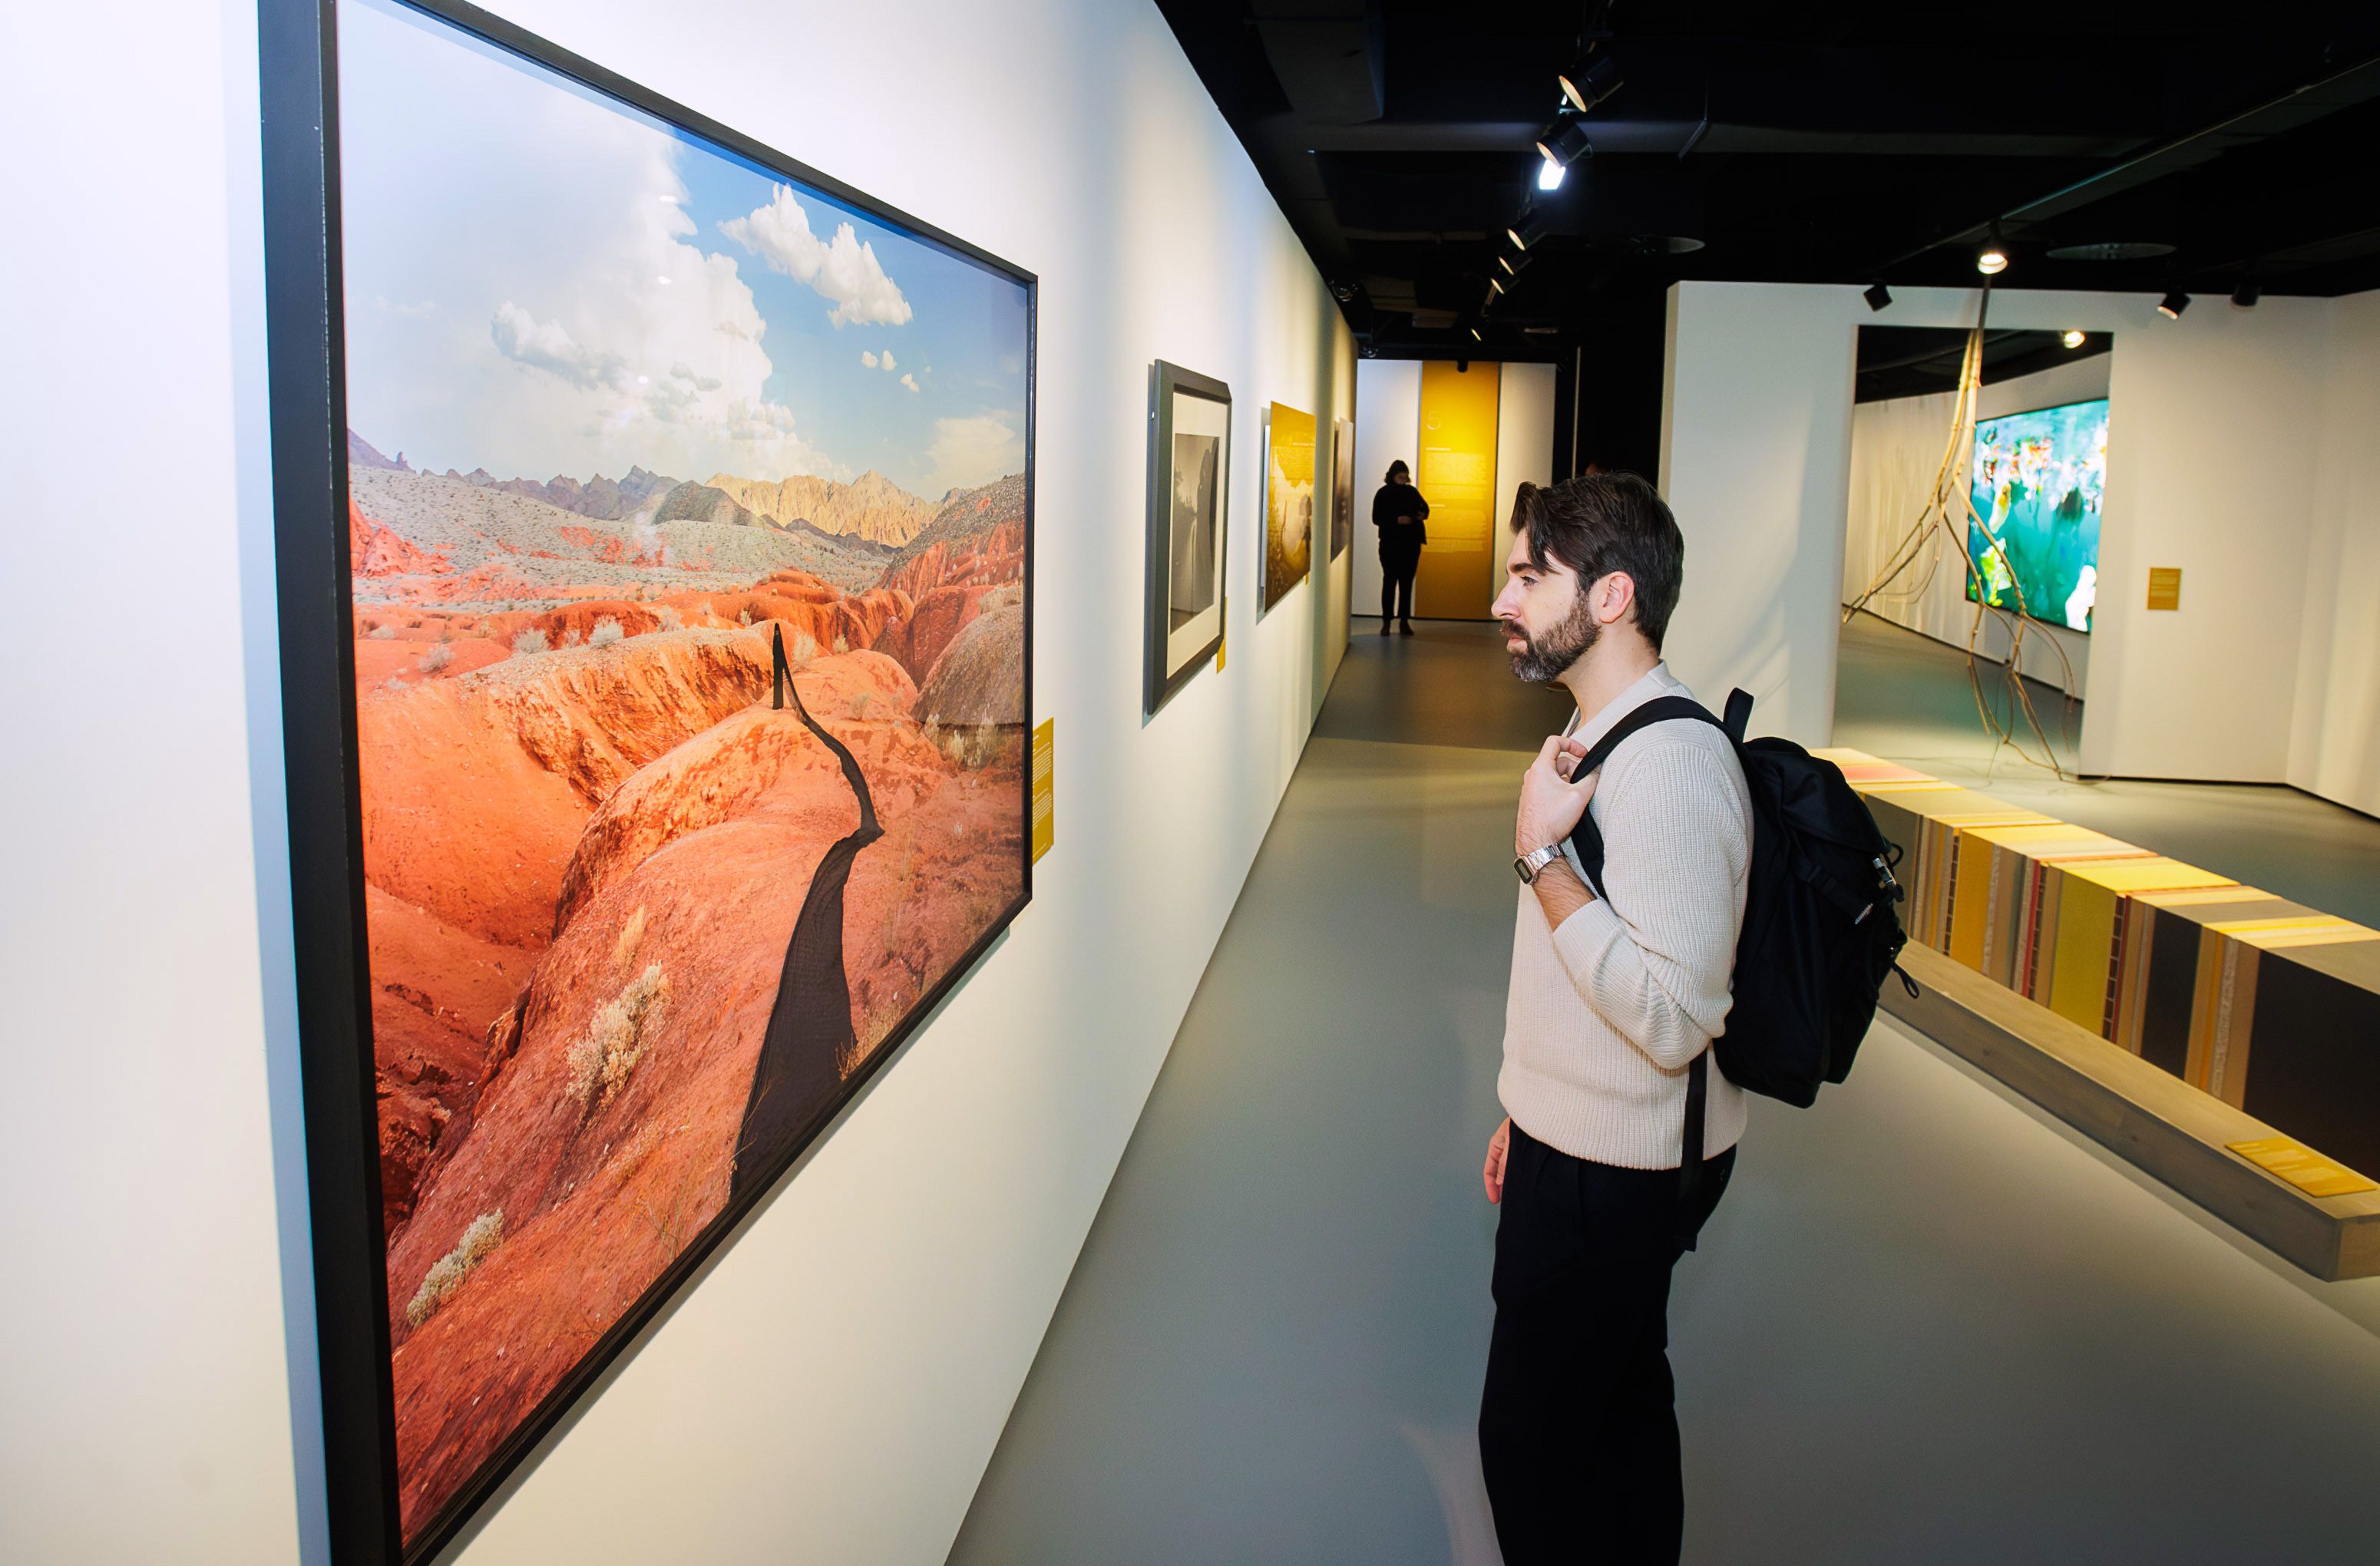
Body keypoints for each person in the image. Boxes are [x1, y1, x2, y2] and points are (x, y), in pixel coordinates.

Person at [1476, 472, 1752, 1566]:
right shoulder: (1598, 731)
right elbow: (1582, 980)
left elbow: (1676, 1017)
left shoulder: (1672, 766)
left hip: (1619, 1171)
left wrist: (1542, 857)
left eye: (1528, 577)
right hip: (1582, 1139)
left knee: (1533, 1448)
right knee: (1621, 1408)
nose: (1504, 601)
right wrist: (1529, 1109)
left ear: (1611, 598)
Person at [1370, 460, 1428, 635]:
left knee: (1406, 583)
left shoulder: (1411, 492)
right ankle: (1386, 622)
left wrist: (1421, 515)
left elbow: (1425, 509)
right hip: (1390, 544)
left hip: (1410, 544)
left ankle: (1404, 621)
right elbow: (1376, 517)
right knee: (1389, 581)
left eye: (1405, 477)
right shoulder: (1383, 494)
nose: (1403, 480)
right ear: (1392, 476)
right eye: (1400, 477)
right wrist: (1397, 520)